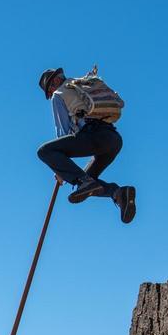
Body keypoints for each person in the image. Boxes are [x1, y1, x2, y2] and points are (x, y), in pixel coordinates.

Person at [36, 66, 137, 223]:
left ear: (55, 81)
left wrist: (61, 169)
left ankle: (84, 182)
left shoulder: (59, 95)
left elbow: (63, 134)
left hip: (94, 135)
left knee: (44, 151)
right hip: (114, 139)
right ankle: (118, 194)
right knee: (88, 183)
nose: (50, 95)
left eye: (49, 90)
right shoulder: (79, 85)